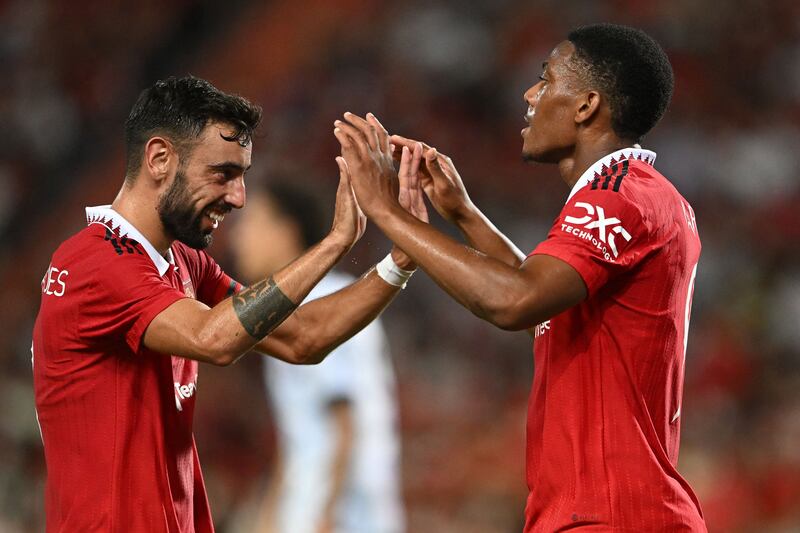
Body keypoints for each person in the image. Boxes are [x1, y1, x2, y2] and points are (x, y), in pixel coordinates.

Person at [333, 23, 706, 532]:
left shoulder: (620, 195)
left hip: (610, 514)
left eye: (546, 79)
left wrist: (385, 211)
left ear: (585, 106)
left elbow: (516, 302)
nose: (530, 94)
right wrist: (463, 216)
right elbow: (549, 311)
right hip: (603, 511)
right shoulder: (637, 195)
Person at [32, 76, 425, 532]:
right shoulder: (94, 262)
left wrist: (401, 261)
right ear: (159, 159)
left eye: (242, 177)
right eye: (223, 174)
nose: (238, 198)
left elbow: (303, 338)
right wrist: (336, 241)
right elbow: (213, 339)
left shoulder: (185, 262)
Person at [232, 181, 404, 533]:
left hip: (344, 516)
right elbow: (302, 431)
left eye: (251, 223)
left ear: (286, 231)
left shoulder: (327, 303)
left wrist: (329, 515)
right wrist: (272, 510)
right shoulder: (285, 311)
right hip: (313, 509)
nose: (238, 238)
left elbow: (346, 419)